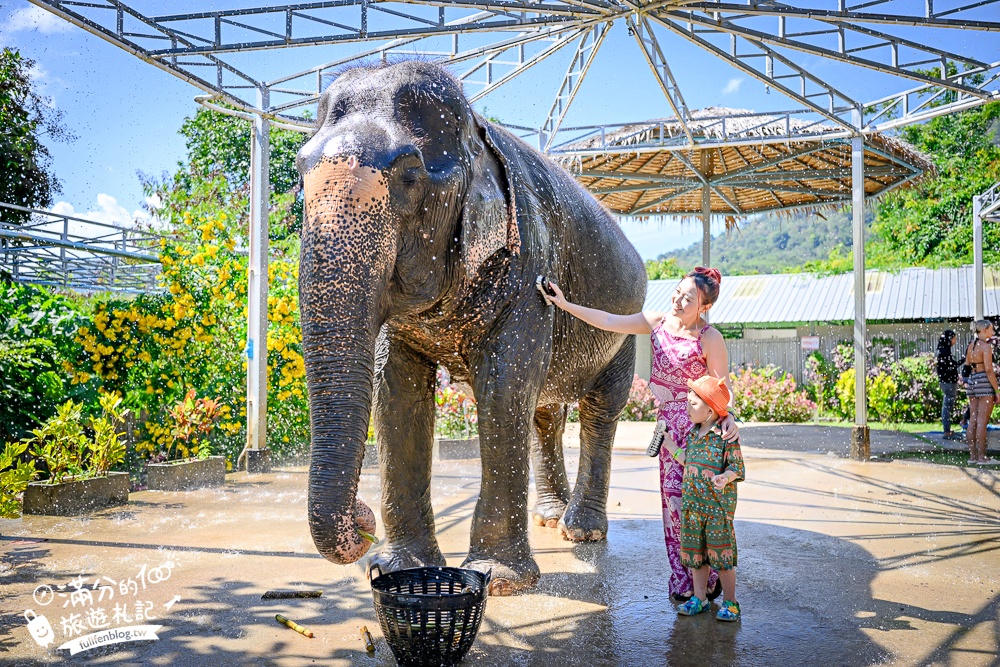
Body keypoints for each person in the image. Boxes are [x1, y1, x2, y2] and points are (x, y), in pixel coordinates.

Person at [542, 266, 739, 602]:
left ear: (703, 307)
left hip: (701, 432)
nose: (677, 300)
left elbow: (723, 389)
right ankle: (685, 583)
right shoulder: (657, 322)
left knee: (702, 508)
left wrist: (728, 416)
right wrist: (565, 305)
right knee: (675, 510)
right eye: (677, 292)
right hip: (668, 432)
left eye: (687, 298)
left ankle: (712, 579)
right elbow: (608, 320)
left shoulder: (710, 338)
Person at [675, 375, 745, 621]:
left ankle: (731, 603)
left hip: (717, 509)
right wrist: (668, 446)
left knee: (722, 557)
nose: (687, 407)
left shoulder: (725, 436)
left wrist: (725, 478)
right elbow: (688, 462)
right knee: (696, 557)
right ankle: (700, 598)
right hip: (693, 507)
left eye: (693, 404)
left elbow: (737, 468)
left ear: (711, 410)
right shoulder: (693, 434)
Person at [964, 319, 999, 465]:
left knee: (973, 420)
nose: (993, 332)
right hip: (984, 381)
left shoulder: (971, 345)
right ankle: (982, 457)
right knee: (982, 422)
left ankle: (972, 457)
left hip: (972, 381)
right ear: (984, 330)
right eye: (991, 329)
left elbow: (967, 364)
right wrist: (997, 390)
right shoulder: (986, 346)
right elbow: (989, 369)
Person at [935, 330, 961, 440]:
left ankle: (947, 430)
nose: (955, 341)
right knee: (947, 406)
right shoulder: (944, 351)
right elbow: (952, 366)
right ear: (949, 339)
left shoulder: (943, 350)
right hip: (948, 381)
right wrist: (965, 360)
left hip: (946, 381)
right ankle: (946, 431)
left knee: (947, 405)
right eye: (954, 338)